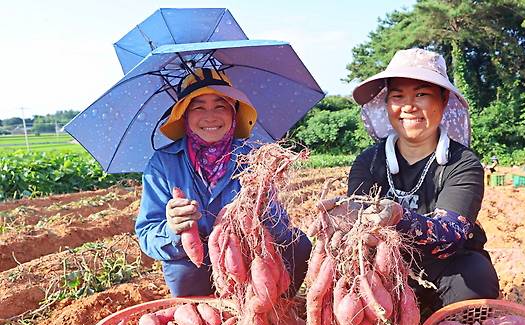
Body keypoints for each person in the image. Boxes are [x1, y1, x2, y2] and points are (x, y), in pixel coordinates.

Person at [321, 48, 499, 311]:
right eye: (397, 96)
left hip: (446, 269)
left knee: (475, 276)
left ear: (443, 99)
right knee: (342, 269)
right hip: (385, 269)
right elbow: (359, 224)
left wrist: (399, 217)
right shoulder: (369, 161)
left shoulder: (461, 163)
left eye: (421, 94)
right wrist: (344, 223)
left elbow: (452, 234)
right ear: (387, 104)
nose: (408, 106)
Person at [135, 68, 312, 298]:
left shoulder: (254, 158)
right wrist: (173, 229)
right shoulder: (163, 164)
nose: (210, 116)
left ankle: (275, 309)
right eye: (198, 107)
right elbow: (147, 235)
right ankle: (205, 319)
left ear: (234, 113)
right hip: (198, 262)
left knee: (298, 246)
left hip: (253, 251)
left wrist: (264, 209)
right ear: (185, 115)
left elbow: (281, 229)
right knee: (182, 270)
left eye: (220, 105)